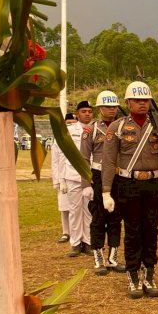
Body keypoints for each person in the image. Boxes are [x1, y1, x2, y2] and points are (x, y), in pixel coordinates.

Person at [101, 81, 158, 299]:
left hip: (152, 183)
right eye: (137, 100)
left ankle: (149, 273)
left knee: (151, 231)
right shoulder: (116, 127)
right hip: (128, 184)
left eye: (145, 100)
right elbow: (108, 161)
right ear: (127, 103)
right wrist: (106, 191)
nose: (142, 104)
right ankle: (133, 275)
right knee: (133, 231)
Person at [80, 91, 126, 275]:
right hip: (98, 175)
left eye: (114, 106)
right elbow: (83, 158)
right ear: (99, 109)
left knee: (116, 218)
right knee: (98, 218)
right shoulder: (91, 130)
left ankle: (113, 258)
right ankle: (98, 258)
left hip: (117, 176)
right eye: (108, 107)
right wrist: (86, 184)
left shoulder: (122, 127)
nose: (112, 110)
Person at [63, 101, 94, 257]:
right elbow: (62, 154)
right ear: (77, 113)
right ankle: (75, 243)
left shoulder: (96, 129)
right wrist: (61, 179)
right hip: (73, 175)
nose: (87, 113)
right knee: (75, 211)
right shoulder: (69, 130)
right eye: (84, 111)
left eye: (89, 111)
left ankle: (88, 242)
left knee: (89, 211)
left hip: (90, 176)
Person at [51, 113, 76, 244]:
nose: (70, 125)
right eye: (68, 123)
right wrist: (56, 181)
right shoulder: (58, 139)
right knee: (64, 206)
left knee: (77, 207)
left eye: (73, 122)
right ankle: (66, 232)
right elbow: (54, 161)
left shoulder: (79, 137)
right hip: (62, 178)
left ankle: (77, 232)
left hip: (75, 177)